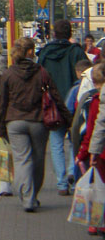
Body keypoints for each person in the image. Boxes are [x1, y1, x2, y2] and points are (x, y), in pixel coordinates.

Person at [0, 37, 72, 212]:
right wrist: (68, 119)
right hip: (38, 121)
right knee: (38, 160)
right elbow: (55, 96)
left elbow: (2, 103)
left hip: (14, 122)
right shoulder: (42, 72)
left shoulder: (8, 74)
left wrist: (0, 127)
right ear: (31, 52)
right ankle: (33, 195)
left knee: (22, 160)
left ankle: (27, 198)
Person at [37, 19, 87, 194]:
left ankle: (61, 183)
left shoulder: (45, 52)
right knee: (75, 143)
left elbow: (39, 78)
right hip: (76, 105)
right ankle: (74, 179)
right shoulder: (77, 52)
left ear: (53, 34)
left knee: (56, 144)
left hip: (53, 106)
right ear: (70, 33)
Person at [74, 63, 105, 236]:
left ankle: (98, 222)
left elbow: (93, 130)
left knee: (99, 188)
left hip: (101, 152)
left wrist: (83, 153)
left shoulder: (96, 102)